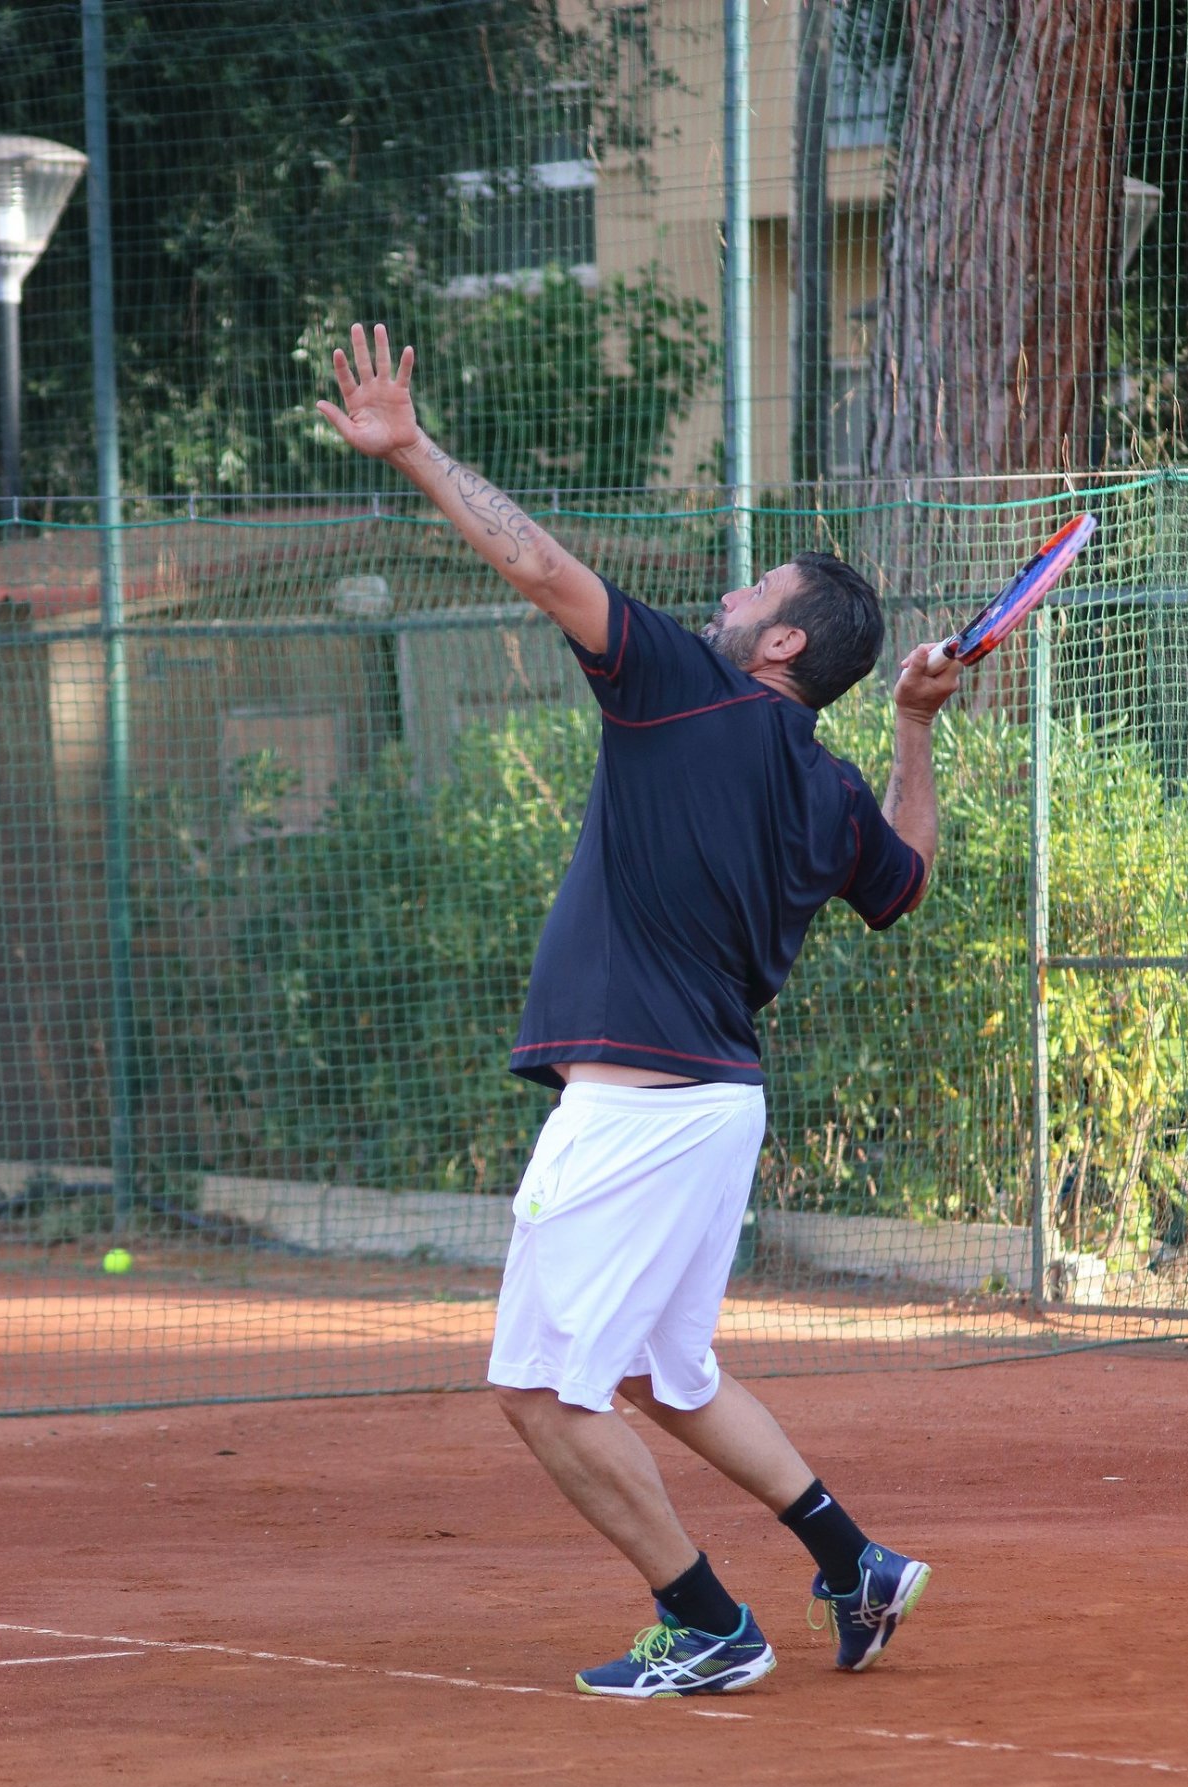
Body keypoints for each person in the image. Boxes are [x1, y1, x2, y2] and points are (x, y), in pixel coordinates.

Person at [318, 323, 962, 1698]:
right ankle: (852, 1559)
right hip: (713, 1102)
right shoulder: (835, 785)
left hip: (643, 1105)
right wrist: (912, 729)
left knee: (541, 1388)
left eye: (750, 589)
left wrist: (412, 446)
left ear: (778, 638)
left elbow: (541, 566)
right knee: (670, 1375)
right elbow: (906, 884)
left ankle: (709, 1622)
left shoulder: (684, 688)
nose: (725, 597)